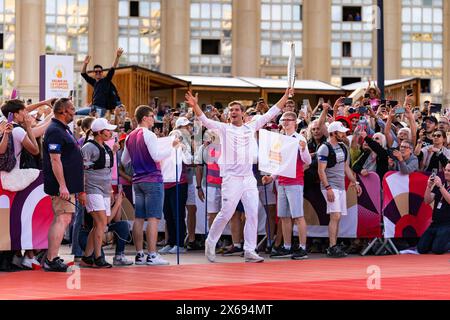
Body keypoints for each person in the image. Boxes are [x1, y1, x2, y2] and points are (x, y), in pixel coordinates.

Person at [185, 87, 294, 263]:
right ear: (229, 115)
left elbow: (272, 112)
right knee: (226, 212)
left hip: (248, 178)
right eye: (231, 110)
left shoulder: (251, 127)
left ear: (243, 114)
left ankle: (250, 250)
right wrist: (196, 106)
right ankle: (210, 242)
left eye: (237, 109)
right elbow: (204, 120)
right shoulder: (224, 128)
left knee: (252, 213)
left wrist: (286, 96)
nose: (234, 112)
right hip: (231, 179)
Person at [121, 105, 180, 266]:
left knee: (139, 218)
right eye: (152, 116)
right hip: (152, 179)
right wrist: (171, 147)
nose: (154, 119)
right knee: (153, 218)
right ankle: (152, 255)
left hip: (138, 180)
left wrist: (138, 159)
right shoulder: (149, 134)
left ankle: (140, 254)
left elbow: (124, 160)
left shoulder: (130, 136)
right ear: (145, 118)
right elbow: (156, 156)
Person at [43, 98, 86, 272]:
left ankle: (51, 256)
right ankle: (51, 259)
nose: (74, 112)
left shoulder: (63, 129)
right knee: (63, 218)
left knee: (63, 218)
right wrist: (62, 186)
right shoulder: (54, 130)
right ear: (62, 111)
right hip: (62, 185)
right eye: (72, 109)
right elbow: (55, 159)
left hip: (69, 185)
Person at [262, 111, 312, 260]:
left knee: (298, 216)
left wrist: (303, 149)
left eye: (289, 120)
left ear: (295, 122)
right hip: (282, 181)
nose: (286, 122)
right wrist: (271, 177)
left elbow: (308, 161)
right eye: (284, 119)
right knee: (283, 216)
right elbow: (279, 163)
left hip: (295, 181)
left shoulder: (299, 138)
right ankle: (287, 246)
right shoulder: (280, 139)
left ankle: (303, 248)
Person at [317, 121, 362, 258]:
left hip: (341, 185)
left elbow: (346, 167)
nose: (344, 134)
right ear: (333, 133)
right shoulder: (324, 148)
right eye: (341, 132)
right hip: (331, 186)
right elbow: (321, 171)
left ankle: (333, 246)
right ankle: (332, 246)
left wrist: (355, 182)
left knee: (337, 217)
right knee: (335, 215)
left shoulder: (343, 147)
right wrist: (328, 188)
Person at [79, 118, 118, 268]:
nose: (110, 132)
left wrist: (110, 189)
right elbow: (82, 170)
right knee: (101, 222)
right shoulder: (88, 147)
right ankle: (98, 257)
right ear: (99, 132)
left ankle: (87, 257)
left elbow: (107, 169)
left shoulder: (106, 148)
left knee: (100, 224)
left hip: (104, 189)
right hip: (92, 188)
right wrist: (82, 191)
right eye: (107, 130)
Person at [78, 191, 133, 266]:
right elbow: (107, 221)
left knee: (124, 225)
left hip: (101, 233)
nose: (111, 193)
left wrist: (118, 203)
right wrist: (117, 204)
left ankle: (119, 256)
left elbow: (117, 220)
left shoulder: (108, 200)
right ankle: (87, 257)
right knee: (100, 258)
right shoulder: (96, 200)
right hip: (87, 235)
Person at [79, 48, 124, 117]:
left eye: (100, 71)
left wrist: (117, 56)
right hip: (93, 107)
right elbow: (83, 74)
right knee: (76, 113)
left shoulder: (106, 80)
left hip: (100, 108)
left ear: (102, 73)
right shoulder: (94, 82)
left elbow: (112, 68)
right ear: (94, 73)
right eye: (96, 72)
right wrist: (85, 64)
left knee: (98, 123)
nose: (98, 73)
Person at [418, 163, 450, 254]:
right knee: (421, 249)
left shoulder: (440, 185)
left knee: (437, 250)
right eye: (446, 170)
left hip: (447, 224)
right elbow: (427, 201)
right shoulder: (439, 185)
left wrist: (440, 187)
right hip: (435, 223)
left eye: (449, 171)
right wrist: (428, 186)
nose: (446, 172)